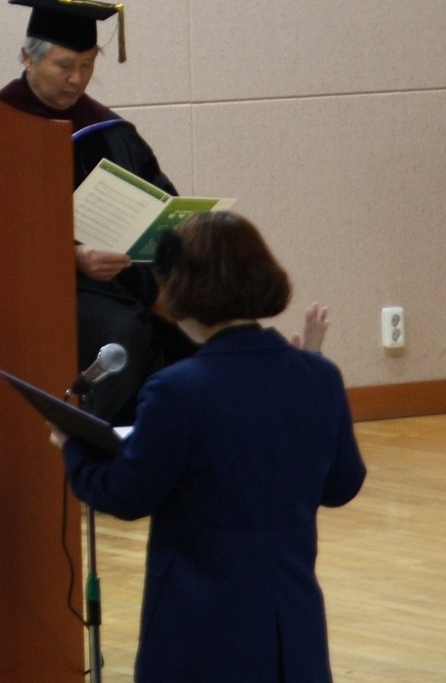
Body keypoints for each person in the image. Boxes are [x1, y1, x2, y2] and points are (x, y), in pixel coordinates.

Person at [56, 213, 362, 683]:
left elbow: (126, 494)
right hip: (292, 622)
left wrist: (72, 445)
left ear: (181, 290)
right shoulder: (319, 375)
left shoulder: (178, 390)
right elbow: (342, 485)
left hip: (202, 624)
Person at [0, 0, 189, 423]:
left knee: (200, 319)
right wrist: (73, 256)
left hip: (125, 276)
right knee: (122, 333)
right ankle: (101, 443)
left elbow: (159, 200)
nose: (76, 79)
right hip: (44, 282)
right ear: (27, 58)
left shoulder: (107, 129)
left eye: (87, 65)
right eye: (64, 65)